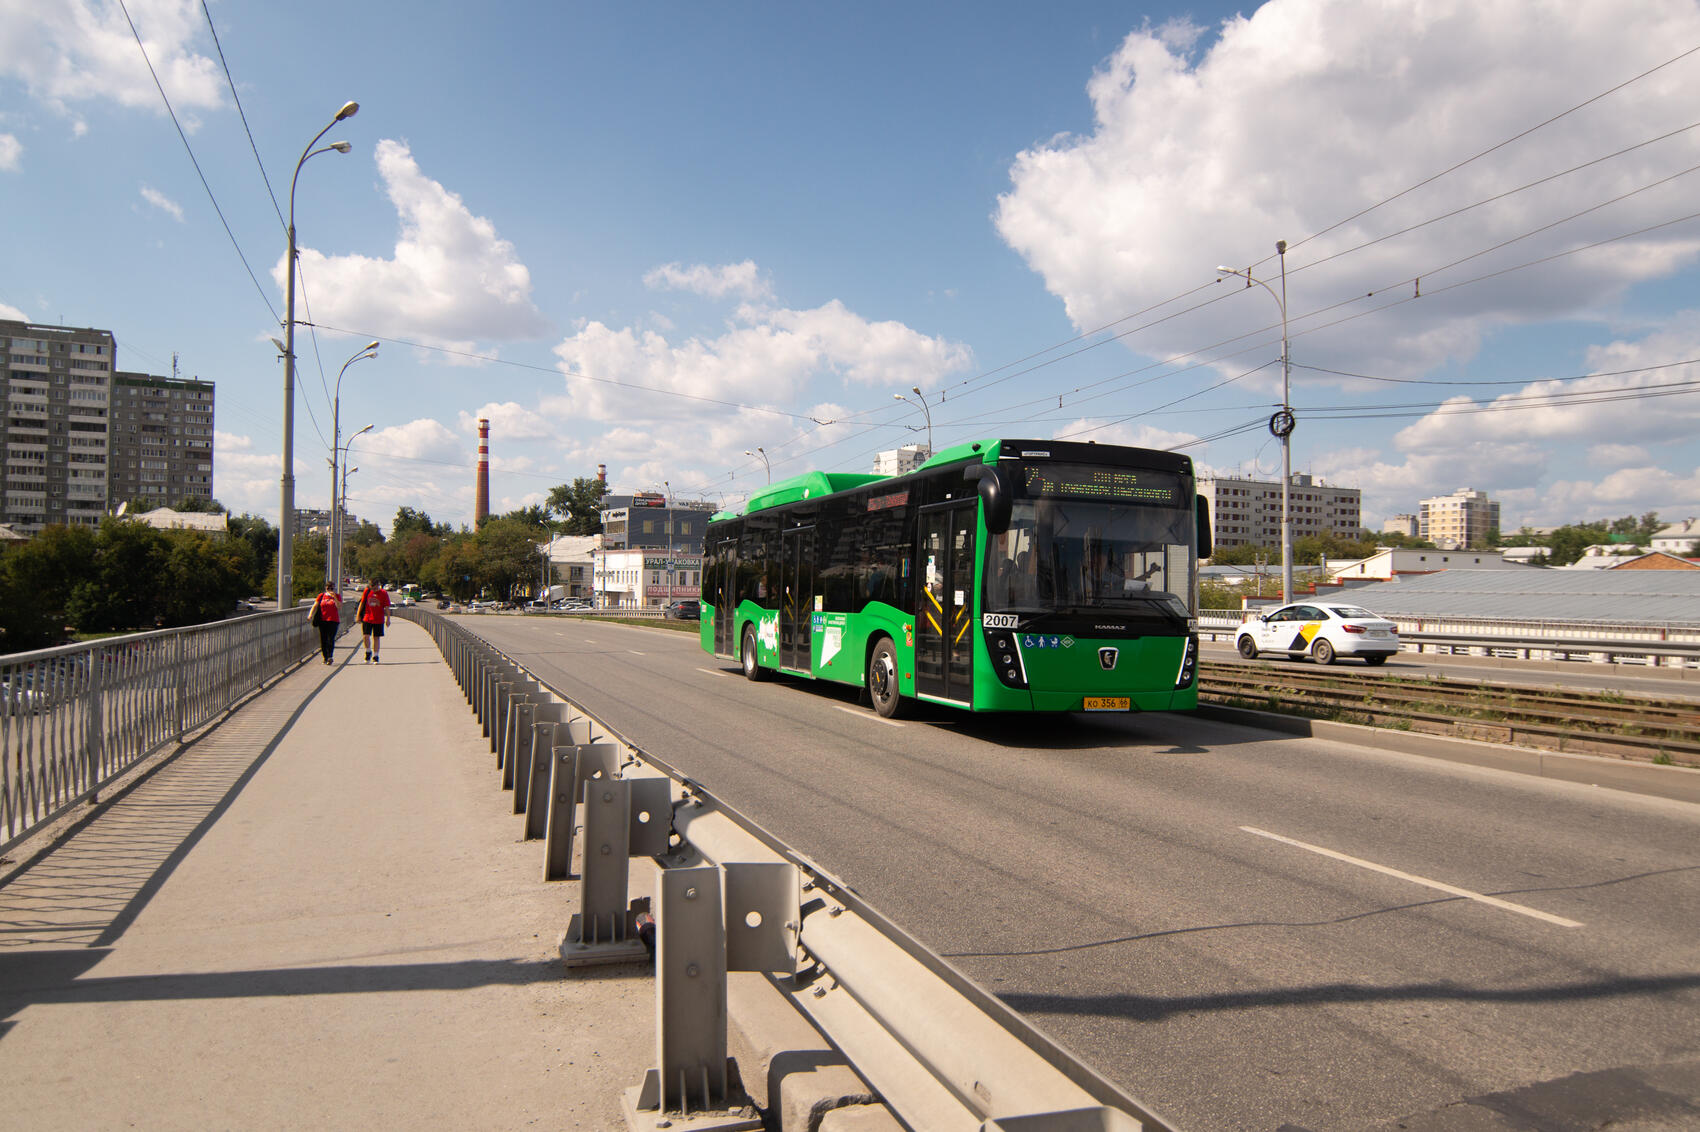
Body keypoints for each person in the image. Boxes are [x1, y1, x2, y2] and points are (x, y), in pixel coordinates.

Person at [356, 582, 392, 662]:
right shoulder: (367, 591)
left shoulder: (383, 593)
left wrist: (388, 619)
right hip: (367, 617)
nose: (373, 590)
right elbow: (362, 603)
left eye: (375, 588)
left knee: (376, 637)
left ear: (378, 585)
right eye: (372, 588)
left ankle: (376, 656)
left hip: (378, 619)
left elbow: (386, 606)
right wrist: (358, 615)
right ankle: (368, 651)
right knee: (366, 636)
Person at [310, 586, 341, 665]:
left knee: (331, 639)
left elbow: (339, 607)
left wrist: (335, 598)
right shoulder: (321, 596)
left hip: (333, 620)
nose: (330, 590)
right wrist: (310, 615)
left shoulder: (337, 596)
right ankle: (325, 657)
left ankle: (330, 656)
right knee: (323, 639)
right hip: (323, 620)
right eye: (328, 588)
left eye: (332, 588)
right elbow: (315, 605)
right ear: (326, 588)